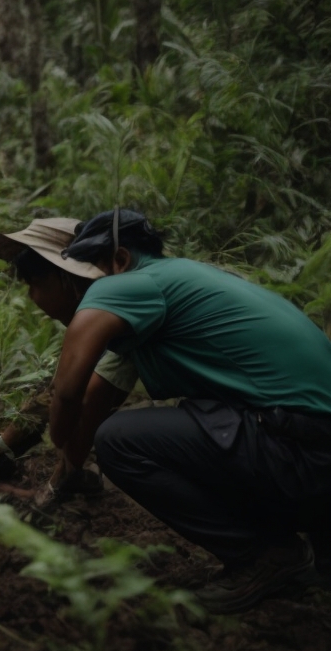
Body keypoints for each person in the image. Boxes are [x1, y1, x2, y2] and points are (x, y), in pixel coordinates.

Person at [46, 209, 331, 614]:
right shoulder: (192, 276)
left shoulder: (128, 284)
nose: (85, 286)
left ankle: (265, 556)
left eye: (90, 271)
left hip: (300, 449)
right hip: (310, 446)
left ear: (121, 259)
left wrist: (59, 437)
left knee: (119, 440)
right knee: (200, 419)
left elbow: (68, 390)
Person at [0, 217, 136, 483]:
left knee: (113, 436)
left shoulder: (115, 319)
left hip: (216, 423)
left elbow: (83, 402)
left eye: (35, 283)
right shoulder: (105, 318)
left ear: (69, 277)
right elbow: (53, 395)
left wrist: (59, 482)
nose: (33, 297)